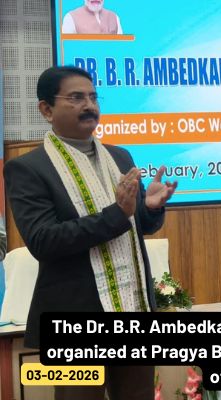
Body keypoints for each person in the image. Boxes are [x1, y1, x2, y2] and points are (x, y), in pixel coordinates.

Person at [4, 66, 176, 400]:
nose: (89, 105)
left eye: (94, 97)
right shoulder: (28, 169)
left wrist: (149, 208)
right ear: (46, 109)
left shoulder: (119, 156)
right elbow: (44, 241)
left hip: (132, 310)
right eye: (76, 97)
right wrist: (118, 213)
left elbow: (135, 225)